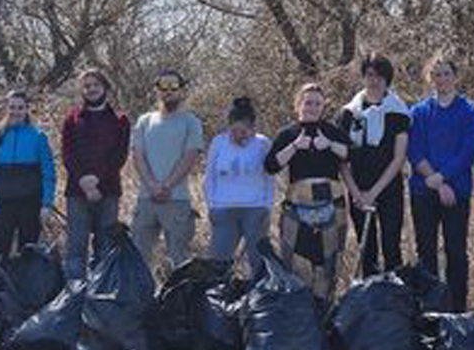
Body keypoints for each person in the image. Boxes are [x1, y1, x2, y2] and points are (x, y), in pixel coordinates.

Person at [265, 83, 352, 309]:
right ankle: (300, 312)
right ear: (298, 105)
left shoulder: (332, 130)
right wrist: (295, 146)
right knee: (296, 260)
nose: (312, 107)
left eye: (317, 103)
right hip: (297, 204)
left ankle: (324, 312)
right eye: (308, 102)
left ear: (323, 107)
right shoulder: (288, 134)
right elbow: (271, 165)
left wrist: (330, 145)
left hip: (332, 205)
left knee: (328, 262)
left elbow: (352, 154)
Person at [407, 58, 474, 312]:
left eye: (446, 73)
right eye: (436, 74)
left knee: (456, 251)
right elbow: (414, 150)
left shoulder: (470, 112)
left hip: (456, 191)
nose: (442, 78)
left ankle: (457, 309)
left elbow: (468, 151)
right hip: (423, 190)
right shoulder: (419, 112)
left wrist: (444, 178)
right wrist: (436, 182)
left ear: (455, 76)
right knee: (425, 250)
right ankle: (429, 307)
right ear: (430, 78)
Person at [339, 56, 410, 276]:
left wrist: (374, 193)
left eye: (379, 76)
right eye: (370, 75)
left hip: (388, 188)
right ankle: (369, 303)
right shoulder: (349, 113)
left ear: (387, 79)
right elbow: (341, 158)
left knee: (391, 247)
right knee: (366, 251)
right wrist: (356, 193)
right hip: (358, 189)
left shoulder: (398, 112)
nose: (374, 81)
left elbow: (399, 158)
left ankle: (394, 302)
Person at [130, 68, 205, 272]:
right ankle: (140, 302)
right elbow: (138, 157)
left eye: (174, 86)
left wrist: (167, 186)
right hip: (146, 199)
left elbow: (189, 157)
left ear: (181, 90)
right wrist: (153, 186)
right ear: (157, 90)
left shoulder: (191, 122)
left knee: (179, 259)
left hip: (177, 200)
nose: (168, 91)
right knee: (138, 257)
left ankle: (178, 303)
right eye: (163, 86)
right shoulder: (144, 121)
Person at [60, 69, 131, 280]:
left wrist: (96, 181)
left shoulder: (120, 120)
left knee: (105, 246)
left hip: (108, 191)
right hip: (76, 192)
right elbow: (67, 153)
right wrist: (84, 180)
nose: (91, 89)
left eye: (95, 85)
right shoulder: (72, 119)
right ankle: (74, 295)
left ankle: (101, 296)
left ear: (105, 88)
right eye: (87, 86)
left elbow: (119, 155)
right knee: (76, 247)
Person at [204, 97, 275, 280]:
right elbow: (210, 176)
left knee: (258, 261)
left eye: (244, 131)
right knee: (218, 262)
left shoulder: (262, 144)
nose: (238, 135)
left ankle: (259, 299)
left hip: (255, 209)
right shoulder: (218, 143)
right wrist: (211, 205)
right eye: (234, 130)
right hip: (224, 209)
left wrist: (267, 206)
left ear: (253, 129)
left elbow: (270, 178)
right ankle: (218, 300)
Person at [0, 89, 56, 256]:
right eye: (12, 107)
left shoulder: (38, 136)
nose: (16, 112)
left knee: (28, 253)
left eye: (20, 108)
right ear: (7, 108)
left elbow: (48, 173)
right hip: (3, 203)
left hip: (30, 203)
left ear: (27, 109)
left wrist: (46, 204)